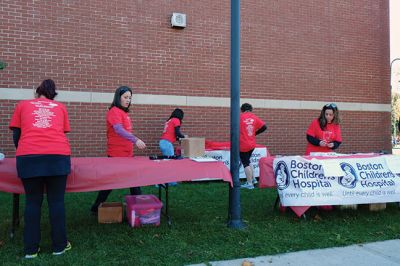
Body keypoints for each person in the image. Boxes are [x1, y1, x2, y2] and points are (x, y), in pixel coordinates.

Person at [9, 79, 72, 258]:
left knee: (33, 202)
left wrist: (25, 151)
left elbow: (17, 134)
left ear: (37, 93)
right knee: (57, 202)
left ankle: (31, 250)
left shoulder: (23, 105)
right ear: (53, 95)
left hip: (28, 156)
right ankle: (59, 246)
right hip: (58, 156)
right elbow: (61, 132)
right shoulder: (60, 107)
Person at [90, 86, 146, 214]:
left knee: (133, 182)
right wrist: (136, 140)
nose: (128, 100)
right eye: (125, 97)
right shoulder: (114, 111)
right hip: (117, 156)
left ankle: (139, 209)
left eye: (130, 98)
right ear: (118, 97)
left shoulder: (124, 113)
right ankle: (96, 207)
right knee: (111, 183)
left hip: (127, 155)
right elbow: (119, 130)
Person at [305, 103, 342, 211]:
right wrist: (318, 142)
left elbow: (338, 141)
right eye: (326, 114)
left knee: (326, 178)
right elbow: (309, 137)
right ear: (323, 113)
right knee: (313, 179)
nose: (328, 117)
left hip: (327, 155)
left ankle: (325, 202)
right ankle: (312, 202)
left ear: (335, 115)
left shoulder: (336, 125)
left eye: (331, 115)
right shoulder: (316, 122)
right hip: (313, 154)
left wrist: (333, 145)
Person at [239, 103, 267, 189]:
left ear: (242, 110)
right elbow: (264, 127)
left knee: (245, 163)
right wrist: (255, 133)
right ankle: (254, 179)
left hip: (243, 144)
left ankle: (250, 183)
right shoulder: (254, 117)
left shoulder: (240, 117)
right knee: (248, 160)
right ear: (251, 109)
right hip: (252, 144)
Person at [159, 108, 186, 186]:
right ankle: (170, 182)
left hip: (163, 142)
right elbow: (177, 133)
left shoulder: (169, 120)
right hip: (167, 143)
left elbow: (173, 134)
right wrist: (184, 137)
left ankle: (162, 181)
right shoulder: (176, 120)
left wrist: (179, 138)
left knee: (167, 162)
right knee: (170, 163)